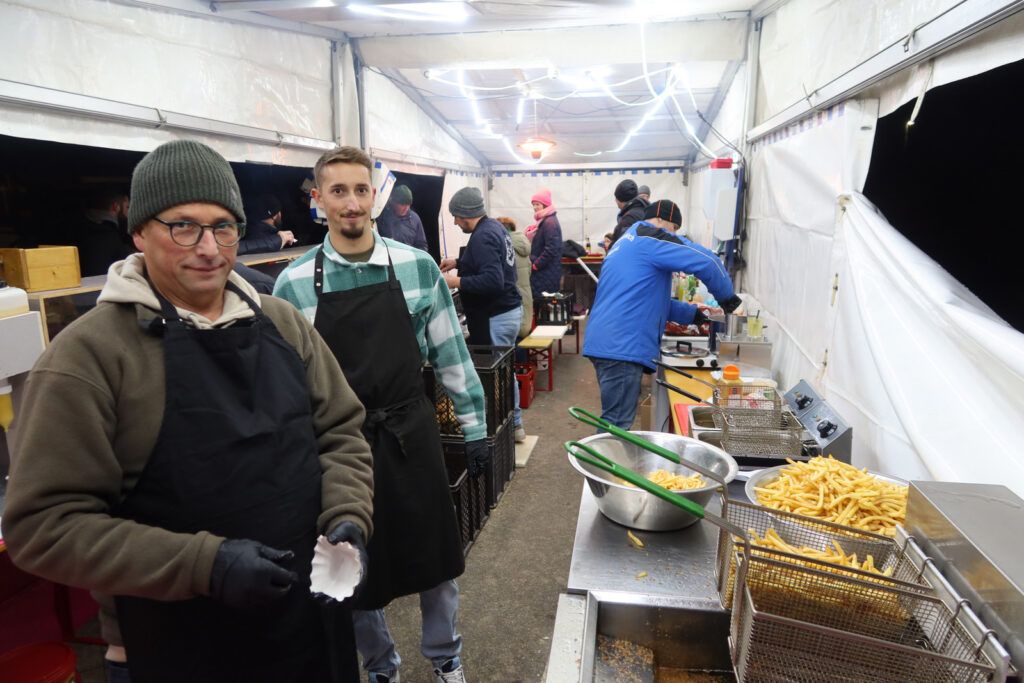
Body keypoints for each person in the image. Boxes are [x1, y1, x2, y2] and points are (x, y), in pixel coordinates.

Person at [1, 139, 374, 682]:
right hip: (177, 646)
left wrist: (348, 513)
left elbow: (340, 432)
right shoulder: (90, 356)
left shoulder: (283, 323)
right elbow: (43, 527)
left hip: (308, 625)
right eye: (183, 227)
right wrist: (206, 565)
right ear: (138, 231)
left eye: (223, 227)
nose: (209, 248)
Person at [274, 147, 489, 683]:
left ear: (374, 196)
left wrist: (476, 428)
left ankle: (446, 657)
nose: (351, 203)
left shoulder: (416, 267)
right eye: (338, 191)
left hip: (411, 433)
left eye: (360, 190)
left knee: (435, 560)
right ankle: (380, 667)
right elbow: (286, 387)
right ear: (318, 199)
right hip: (338, 446)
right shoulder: (292, 285)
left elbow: (451, 355)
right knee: (352, 566)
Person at [583, 199, 743, 429]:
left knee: (615, 419)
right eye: (674, 228)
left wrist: (695, 315)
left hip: (608, 340)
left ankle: (604, 451)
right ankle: (601, 454)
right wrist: (730, 302)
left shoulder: (628, 241)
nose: (674, 234)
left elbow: (647, 300)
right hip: (622, 345)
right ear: (660, 220)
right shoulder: (650, 237)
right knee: (616, 424)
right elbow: (708, 261)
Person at [440, 187, 527, 443]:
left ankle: (511, 426)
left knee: (498, 374)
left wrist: (455, 281)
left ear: (466, 214)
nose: (455, 223)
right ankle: (513, 424)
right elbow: (491, 261)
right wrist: (459, 262)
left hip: (496, 315)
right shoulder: (494, 227)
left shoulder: (483, 236)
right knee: (504, 371)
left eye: (456, 217)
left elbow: (492, 280)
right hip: (507, 311)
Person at [74, 186, 132, 276]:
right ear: (115, 207)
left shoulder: (81, 228)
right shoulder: (108, 235)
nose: (129, 213)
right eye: (127, 207)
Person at [496, 216, 533, 339]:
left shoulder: (503, 246)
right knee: (523, 328)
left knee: (514, 334)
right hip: (526, 292)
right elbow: (529, 270)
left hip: (512, 295)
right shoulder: (523, 243)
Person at [526, 188, 563, 300]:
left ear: (545, 204)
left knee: (543, 301)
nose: (535, 207)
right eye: (533, 204)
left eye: (537, 204)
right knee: (543, 301)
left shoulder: (549, 222)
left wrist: (536, 264)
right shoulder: (545, 220)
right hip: (545, 270)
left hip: (545, 271)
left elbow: (551, 248)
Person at [375, 184, 429, 252]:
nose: (406, 208)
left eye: (408, 204)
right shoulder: (383, 216)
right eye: (403, 204)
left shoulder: (415, 219)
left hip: (408, 257)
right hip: (388, 256)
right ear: (393, 202)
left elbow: (422, 246)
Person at [608, 179, 649, 247]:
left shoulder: (629, 218)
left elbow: (622, 245)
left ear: (620, 199)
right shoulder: (645, 210)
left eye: (616, 198)